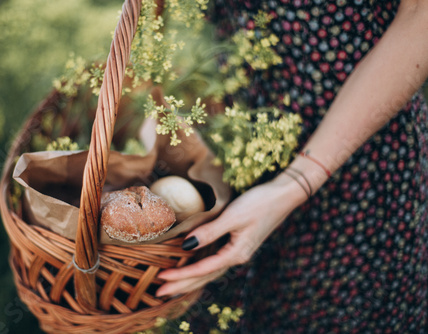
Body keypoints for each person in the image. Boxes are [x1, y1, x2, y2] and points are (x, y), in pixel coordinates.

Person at [155, 0, 428, 332]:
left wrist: (299, 179)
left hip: (357, 168)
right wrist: (158, 98)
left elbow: (420, 17)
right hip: (240, 148)